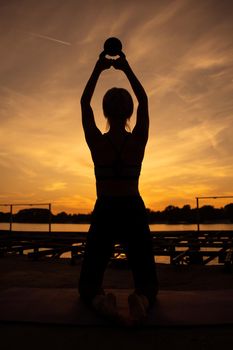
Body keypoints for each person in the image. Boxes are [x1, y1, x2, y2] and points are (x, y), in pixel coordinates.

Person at [78, 48, 158, 322]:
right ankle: (142, 300)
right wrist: (125, 68)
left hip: (106, 210)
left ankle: (101, 302)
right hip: (132, 209)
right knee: (148, 280)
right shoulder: (137, 142)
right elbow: (145, 101)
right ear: (129, 112)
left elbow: (84, 103)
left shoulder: (98, 143)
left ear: (105, 111)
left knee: (88, 282)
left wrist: (99, 68)